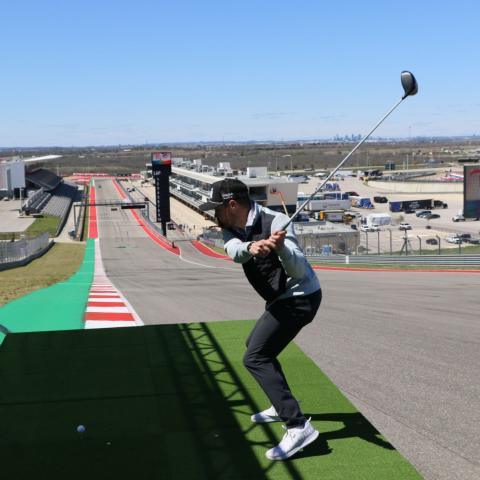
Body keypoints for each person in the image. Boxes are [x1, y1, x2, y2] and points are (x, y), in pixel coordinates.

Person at [199, 178, 322, 461]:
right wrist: (251, 248)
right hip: (281, 300)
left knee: (255, 357)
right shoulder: (232, 228)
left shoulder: (275, 221)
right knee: (256, 346)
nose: (211, 214)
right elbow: (234, 252)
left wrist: (281, 249)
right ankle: (282, 405)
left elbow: (299, 270)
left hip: (300, 298)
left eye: (215, 208)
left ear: (232, 205)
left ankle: (297, 425)